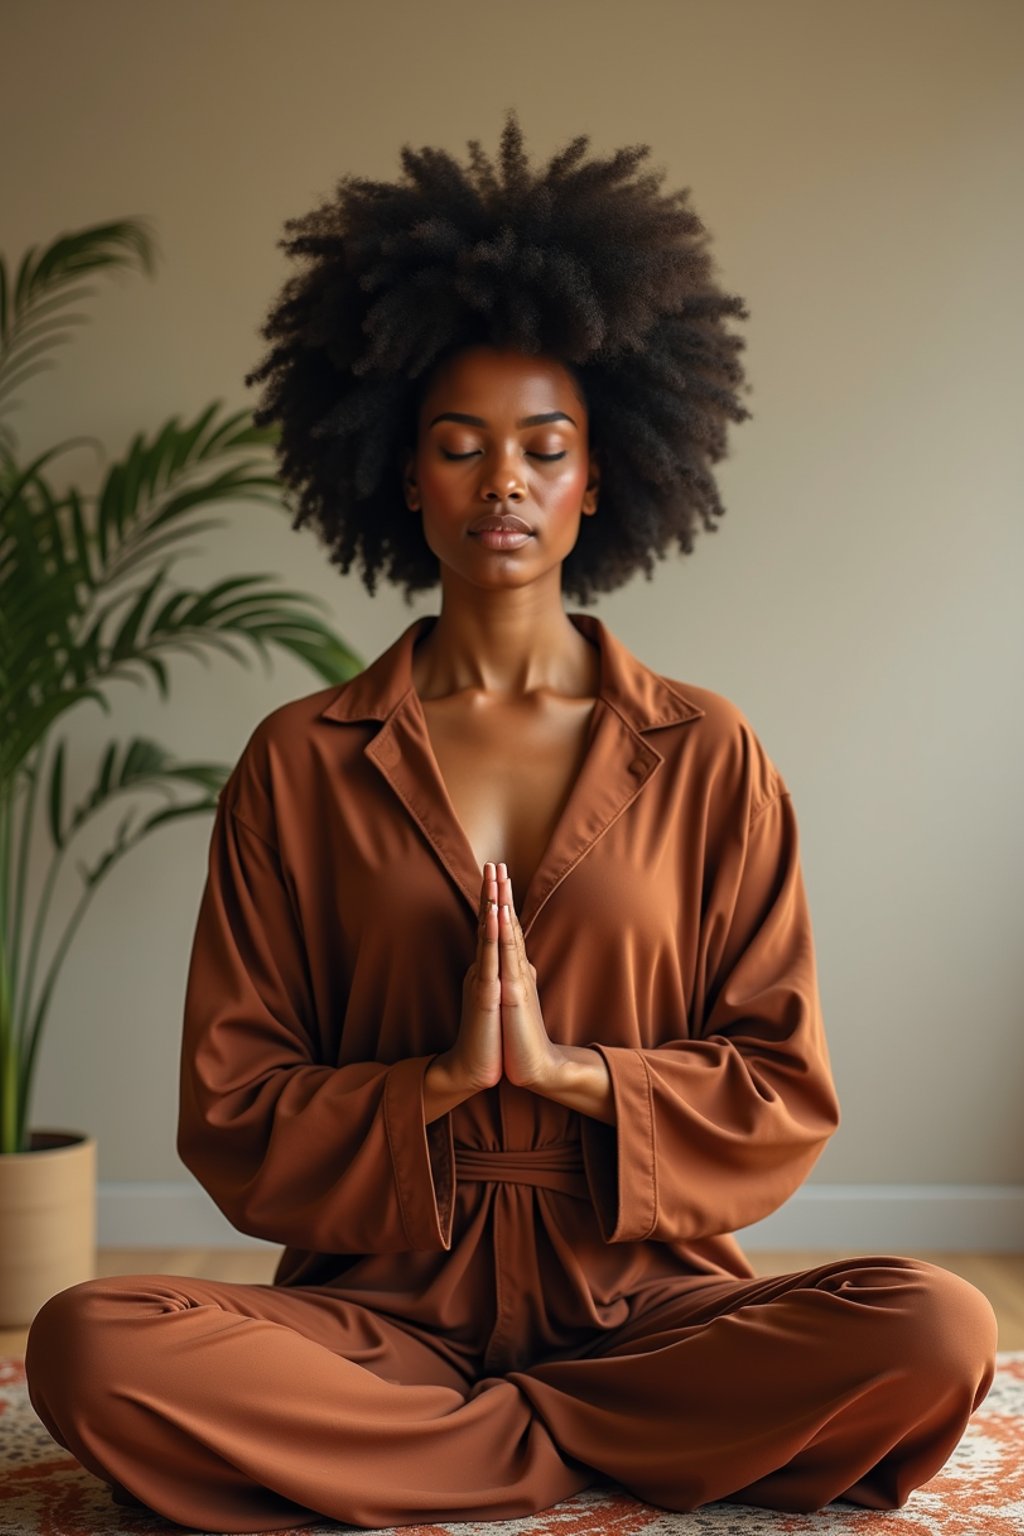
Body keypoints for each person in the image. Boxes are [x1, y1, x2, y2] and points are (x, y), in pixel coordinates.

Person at [25, 108, 997, 1532]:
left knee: (937, 1328)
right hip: (380, 1310)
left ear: (600, 476)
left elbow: (784, 1089)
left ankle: (445, 1453)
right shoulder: (299, 762)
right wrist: (427, 1087)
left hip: (647, 1300)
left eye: (544, 447)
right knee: (87, 1346)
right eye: (460, 446)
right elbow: (230, 1109)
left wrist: (578, 1074)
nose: (505, 483)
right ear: (400, 474)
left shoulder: (711, 754)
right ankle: (602, 1454)